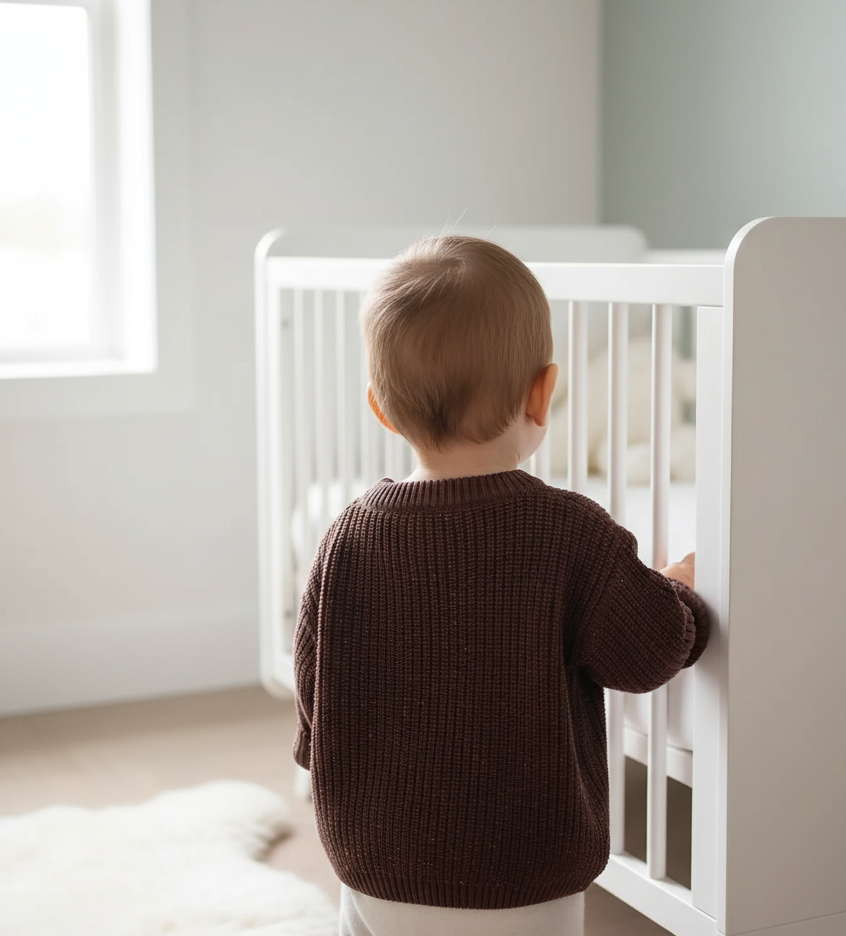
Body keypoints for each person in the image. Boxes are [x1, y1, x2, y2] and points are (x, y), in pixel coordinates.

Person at [293, 234, 708, 936]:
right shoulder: (571, 533)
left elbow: (315, 685)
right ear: (543, 393)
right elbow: (650, 650)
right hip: (522, 877)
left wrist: (330, 765)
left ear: (382, 410)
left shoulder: (346, 538)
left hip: (371, 860)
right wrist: (680, 590)